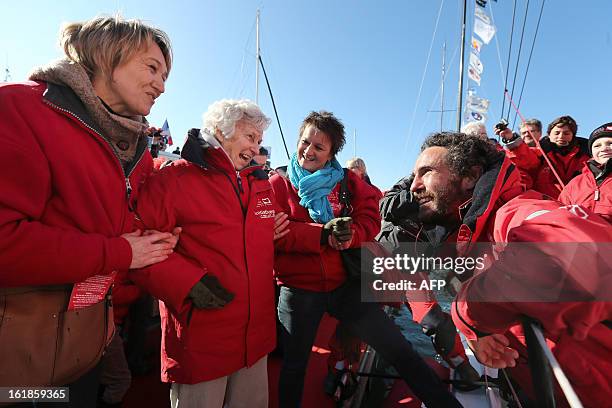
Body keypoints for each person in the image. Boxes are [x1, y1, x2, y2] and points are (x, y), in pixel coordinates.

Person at [0, 15, 176, 407]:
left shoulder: (136, 148)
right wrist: (120, 253)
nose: (162, 86)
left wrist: (154, 235)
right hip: (19, 362)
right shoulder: (20, 108)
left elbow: (119, 223)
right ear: (106, 55)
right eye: (152, 68)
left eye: (165, 75)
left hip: (84, 347)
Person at [270, 111, 462, 407]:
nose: (308, 151)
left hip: (346, 284)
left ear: (333, 153)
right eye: (305, 142)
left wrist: (352, 234)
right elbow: (276, 234)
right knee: (294, 366)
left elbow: (372, 218)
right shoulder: (278, 184)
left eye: (319, 147)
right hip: (299, 290)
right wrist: (321, 234)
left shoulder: (349, 182)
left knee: (399, 350)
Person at [130, 99, 284, 408]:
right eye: (250, 137)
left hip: (256, 339)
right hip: (202, 339)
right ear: (221, 131)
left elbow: (281, 232)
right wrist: (187, 283)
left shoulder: (260, 184)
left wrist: (324, 233)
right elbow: (138, 243)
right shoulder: (174, 180)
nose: (256, 149)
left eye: (259, 141)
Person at [451, 192, 612, 407]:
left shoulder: (511, 212)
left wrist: (468, 315)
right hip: (545, 376)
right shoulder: (468, 240)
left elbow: (567, 252)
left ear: (468, 177)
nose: (415, 185)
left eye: (427, 171)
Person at [500, 115, 589, 198]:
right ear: (549, 135)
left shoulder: (586, 155)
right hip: (546, 204)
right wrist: (511, 139)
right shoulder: (541, 152)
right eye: (557, 133)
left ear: (573, 136)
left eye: (566, 133)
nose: (561, 136)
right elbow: (526, 159)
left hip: (579, 203)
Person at [558, 122, 612, 223]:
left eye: (610, 143)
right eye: (597, 146)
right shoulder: (575, 183)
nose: (604, 148)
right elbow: (562, 218)